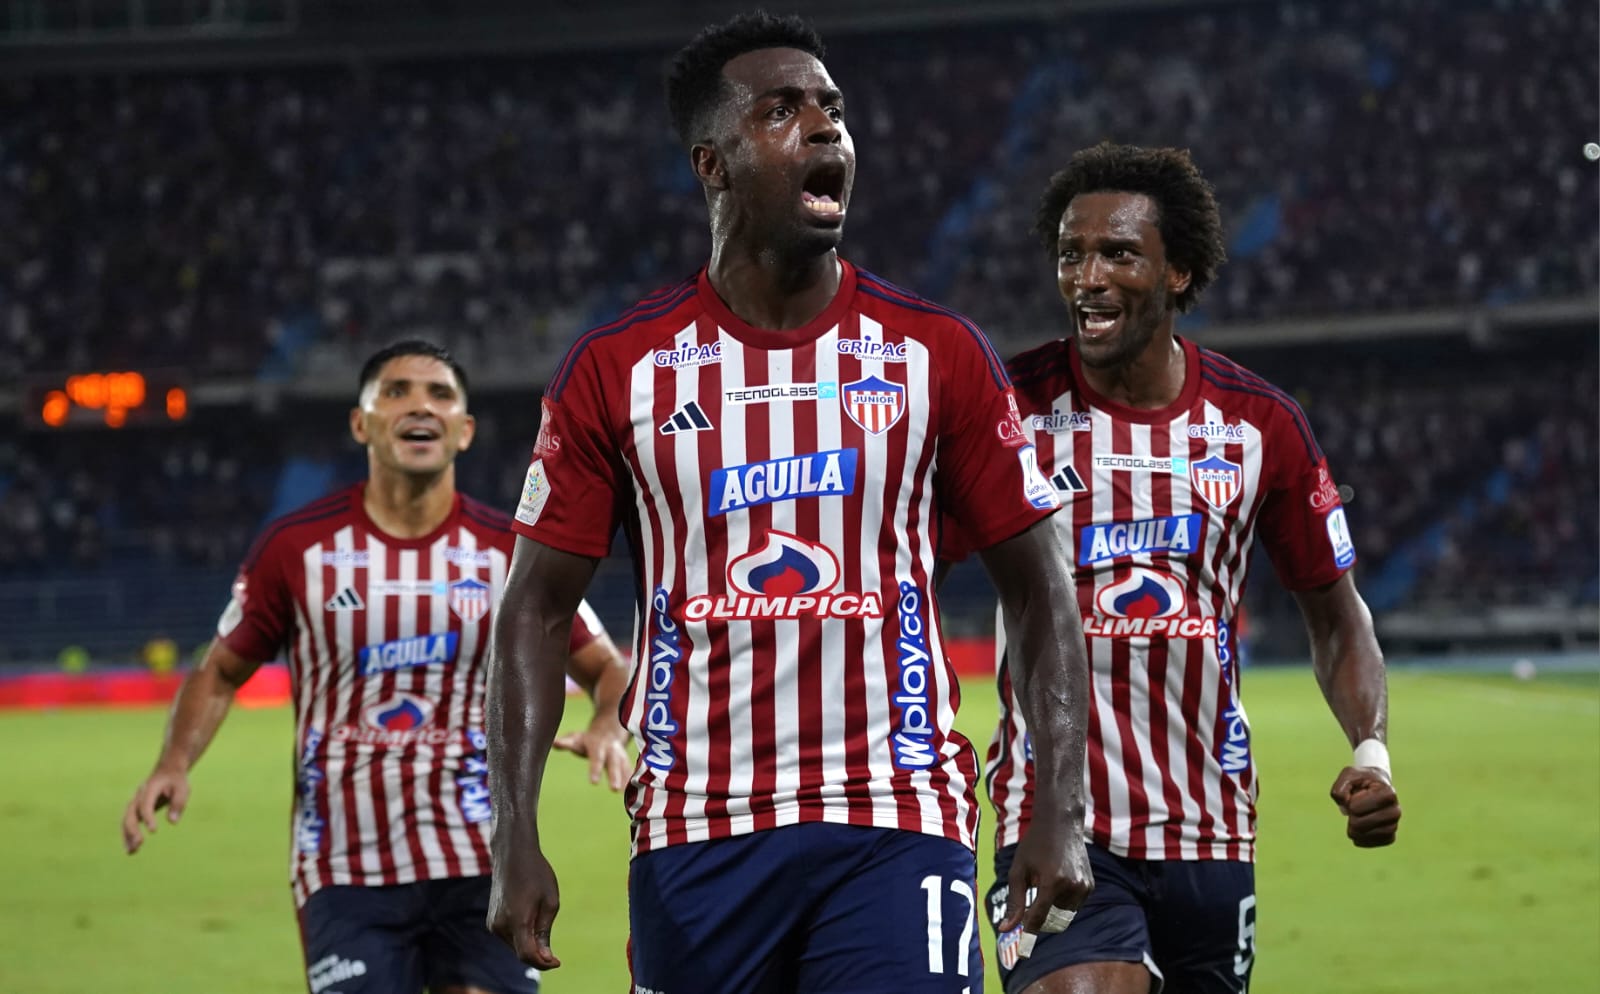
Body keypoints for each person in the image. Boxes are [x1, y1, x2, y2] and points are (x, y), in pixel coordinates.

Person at [485, 12, 1095, 992]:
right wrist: (514, 831)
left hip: (896, 816)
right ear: (712, 163)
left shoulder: (935, 351)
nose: (825, 130)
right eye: (782, 111)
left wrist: (1059, 809)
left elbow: (1040, 583)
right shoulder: (618, 368)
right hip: (697, 830)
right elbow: (535, 607)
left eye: (833, 110)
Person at [970, 143, 1403, 993]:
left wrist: (1373, 749)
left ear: (1180, 272)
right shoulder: (1007, 410)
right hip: (1056, 819)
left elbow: (1336, 612)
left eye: (1118, 253)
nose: (1086, 276)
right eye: (1071, 253)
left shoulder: (1259, 426)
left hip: (1209, 829)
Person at [121, 340, 632, 994]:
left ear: (465, 430)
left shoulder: (510, 552)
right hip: (342, 866)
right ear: (361, 423)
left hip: (482, 857)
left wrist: (607, 723)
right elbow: (221, 671)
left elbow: (606, 668)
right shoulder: (295, 549)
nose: (419, 405)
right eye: (395, 392)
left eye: (440, 394)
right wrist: (173, 762)